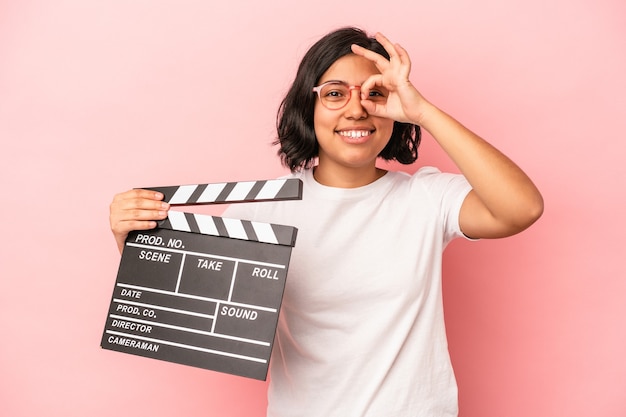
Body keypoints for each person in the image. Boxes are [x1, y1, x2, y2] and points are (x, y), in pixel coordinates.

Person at [110, 27, 543, 417]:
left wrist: (424, 111)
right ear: (308, 107)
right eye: (335, 93)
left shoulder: (426, 197)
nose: (356, 110)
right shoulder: (261, 210)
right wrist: (129, 237)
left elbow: (521, 208)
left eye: (373, 94)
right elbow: (190, 313)